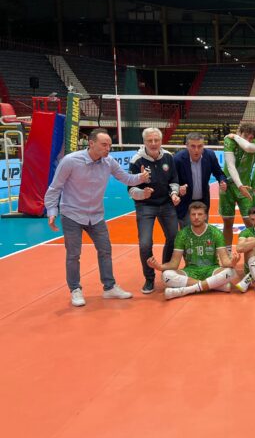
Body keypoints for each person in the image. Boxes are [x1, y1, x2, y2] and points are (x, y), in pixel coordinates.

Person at [45, 128, 150, 307]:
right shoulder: (70, 161)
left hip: (96, 215)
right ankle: (75, 289)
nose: (108, 148)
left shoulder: (109, 162)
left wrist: (142, 177)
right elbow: (55, 187)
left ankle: (109, 287)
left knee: (105, 250)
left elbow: (125, 178)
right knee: (73, 254)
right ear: (91, 143)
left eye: (109, 145)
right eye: (104, 144)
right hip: (72, 214)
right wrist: (52, 211)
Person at [146, 202, 241, 300]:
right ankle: (215, 285)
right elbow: (174, 263)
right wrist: (159, 266)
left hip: (212, 270)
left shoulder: (215, 233)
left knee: (231, 272)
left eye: (200, 214)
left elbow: (225, 261)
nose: (196, 217)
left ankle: (186, 290)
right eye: (193, 214)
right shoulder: (182, 234)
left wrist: (232, 263)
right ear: (189, 216)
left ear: (205, 216)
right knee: (166, 275)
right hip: (190, 271)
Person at [128, 127, 180, 294]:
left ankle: (166, 271)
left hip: (166, 204)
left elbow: (174, 180)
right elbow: (130, 189)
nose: (153, 143)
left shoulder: (168, 157)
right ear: (144, 142)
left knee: (174, 238)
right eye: (149, 140)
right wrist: (142, 193)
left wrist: (174, 194)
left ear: (161, 141)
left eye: (156, 140)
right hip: (145, 206)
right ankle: (149, 279)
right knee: (145, 244)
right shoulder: (137, 161)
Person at [174, 132, 227, 228]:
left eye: (200, 146)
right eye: (193, 146)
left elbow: (219, 173)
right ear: (187, 146)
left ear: (203, 145)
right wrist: (178, 188)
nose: (196, 150)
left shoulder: (210, 155)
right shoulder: (178, 159)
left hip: (203, 201)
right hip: (185, 202)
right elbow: (171, 180)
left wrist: (222, 181)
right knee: (187, 231)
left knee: (203, 230)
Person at [220, 124, 255, 248]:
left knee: (250, 221)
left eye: (251, 138)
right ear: (239, 133)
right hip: (227, 187)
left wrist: (236, 137)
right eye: (245, 136)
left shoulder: (254, 144)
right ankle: (228, 252)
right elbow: (230, 166)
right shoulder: (229, 141)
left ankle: (254, 251)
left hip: (246, 186)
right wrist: (240, 186)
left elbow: (248, 147)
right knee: (227, 222)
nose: (248, 139)